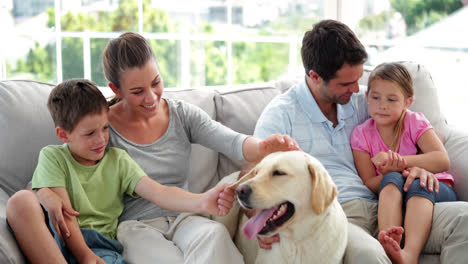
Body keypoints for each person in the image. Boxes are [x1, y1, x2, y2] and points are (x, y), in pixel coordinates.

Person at [250, 19, 468, 264]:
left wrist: (419, 166)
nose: (356, 89)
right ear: (314, 76)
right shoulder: (280, 115)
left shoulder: (367, 101)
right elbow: (255, 173)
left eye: (357, 79)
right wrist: (261, 218)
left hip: (396, 203)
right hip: (338, 213)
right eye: (346, 83)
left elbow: (428, 131)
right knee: (372, 256)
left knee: (464, 219)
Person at [6, 78, 237, 263]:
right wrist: (83, 254)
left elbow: (159, 192)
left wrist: (202, 201)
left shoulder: (118, 160)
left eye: (105, 128)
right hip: (58, 239)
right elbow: (66, 215)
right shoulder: (53, 156)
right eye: (89, 134)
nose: (101, 140)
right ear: (63, 135)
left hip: (101, 246)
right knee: (20, 201)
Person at [350, 62, 457, 264]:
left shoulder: (414, 121)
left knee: (418, 183)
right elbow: (370, 183)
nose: (382, 105)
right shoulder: (361, 134)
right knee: (390, 178)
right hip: (396, 189)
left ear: (407, 102)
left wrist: (400, 163)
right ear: (367, 98)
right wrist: (392, 171)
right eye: (375, 98)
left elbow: (442, 159)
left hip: (436, 187)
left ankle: (409, 255)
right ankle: (390, 242)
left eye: (392, 99)